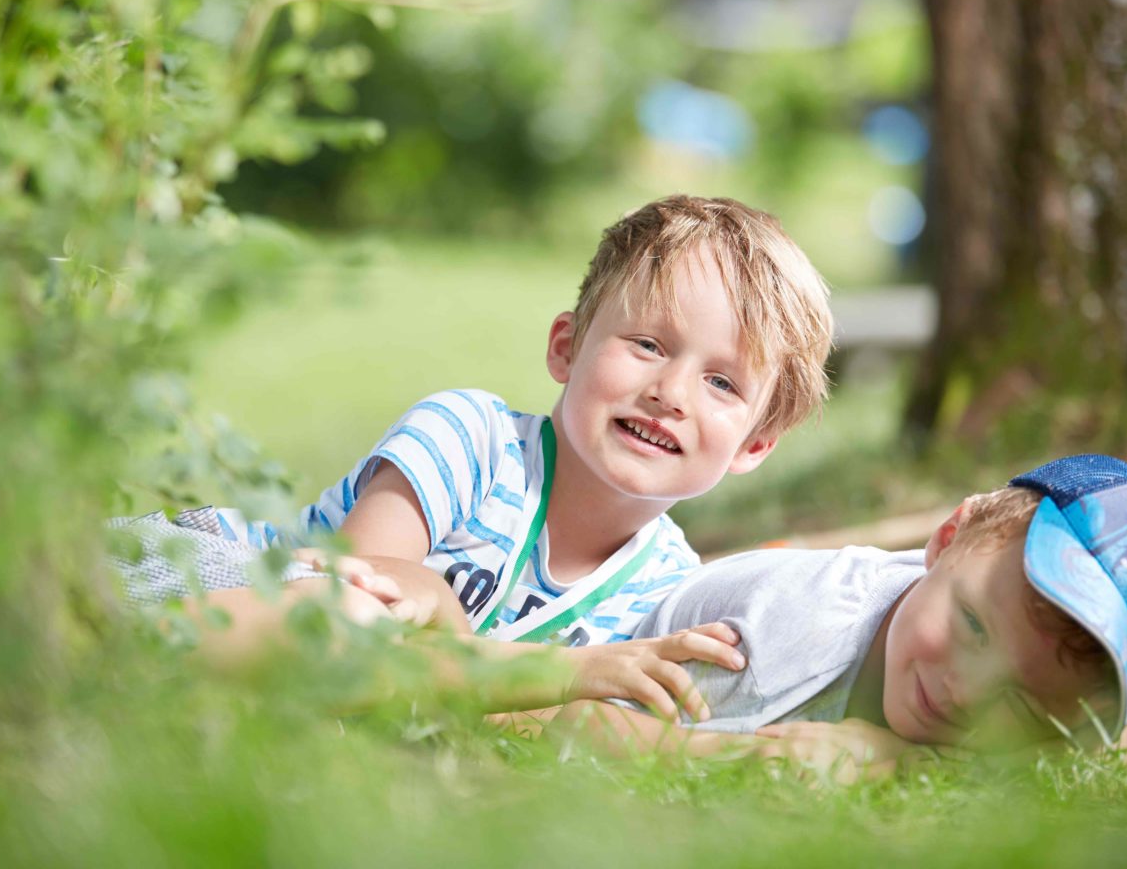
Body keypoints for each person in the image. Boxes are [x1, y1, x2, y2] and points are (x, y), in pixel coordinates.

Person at [112, 194, 834, 719]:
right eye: (647, 344)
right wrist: (488, 647)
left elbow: (544, 709)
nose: (670, 392)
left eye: (721, 383)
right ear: (566, 347)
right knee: (355, 625)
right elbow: (357, 574)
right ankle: (75, 631)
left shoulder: (662, 587)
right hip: (207, 577)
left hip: (317, 664)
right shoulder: (470, 438)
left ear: (756, 445)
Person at [537, 455, 1127, 773]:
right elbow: (554, 713)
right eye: (974, 627)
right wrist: (738, 755)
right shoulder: (774, 645)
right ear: (947, 539)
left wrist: (911, 762)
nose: (967, 691)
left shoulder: (992, 592)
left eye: (1026, 701)